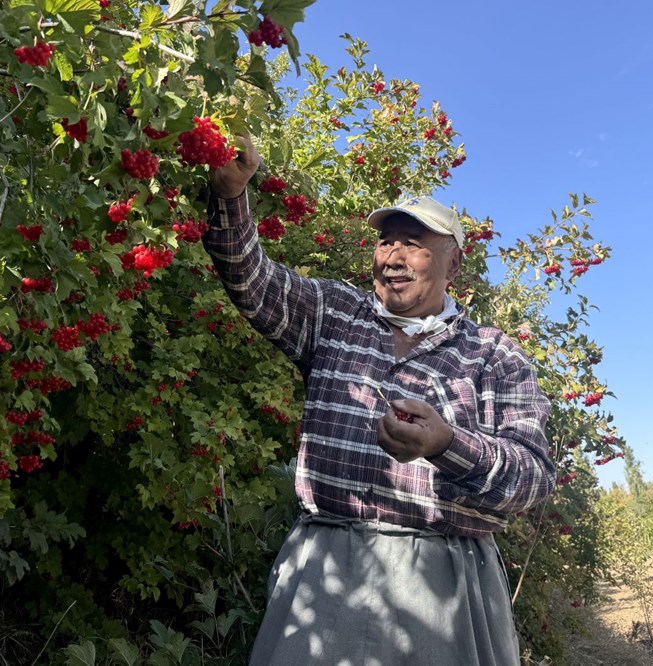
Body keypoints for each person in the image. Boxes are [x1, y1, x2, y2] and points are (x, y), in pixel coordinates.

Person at [203, 135, 555, 666]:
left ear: (453, 264)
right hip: (324, 571)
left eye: (413, 242)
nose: (393, 253)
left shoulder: (493, 356)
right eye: (386, 240)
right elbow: (250, 279)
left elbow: (531, 480)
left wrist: (447, 444)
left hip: (444, 586)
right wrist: (232, 196)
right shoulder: (333, 312)